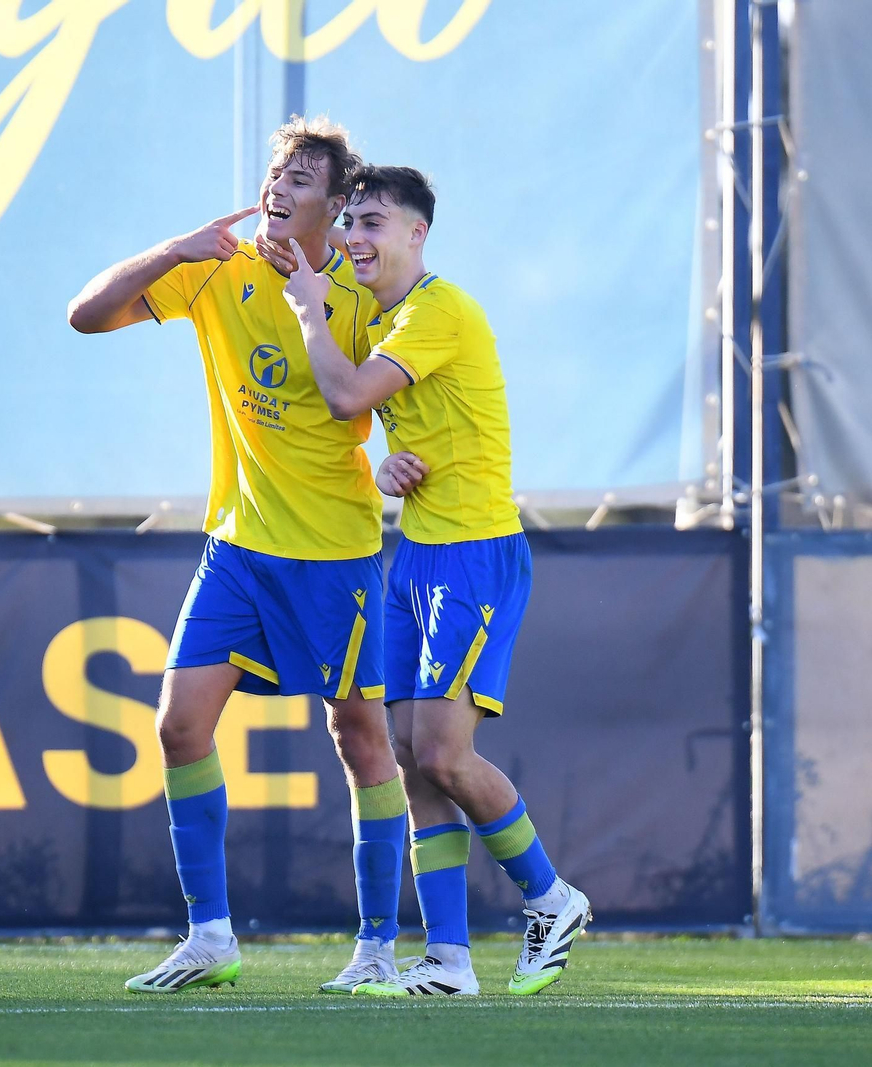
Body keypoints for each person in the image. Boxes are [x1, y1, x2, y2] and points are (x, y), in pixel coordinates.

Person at [67, 118, 407, 995]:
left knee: (360, 735)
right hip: (238, 548)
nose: (280, 186)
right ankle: (209, 937)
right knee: (179, 724)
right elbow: (86, 315)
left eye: (303, 178)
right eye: (276, 171)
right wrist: (172, 249)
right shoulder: (218, 267)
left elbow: (374, 406)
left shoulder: (366, 296)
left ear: (335, 208)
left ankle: (376, 948)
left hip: (337, 551)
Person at [280, 165, 590, 997]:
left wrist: (309, 307)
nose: (354, 238)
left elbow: (346, 396)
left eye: (373, 223)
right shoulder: (389, 316)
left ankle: (552, 897)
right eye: (350, 223)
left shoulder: (436, 310)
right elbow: (400, 420)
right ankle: (448, 958)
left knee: (447, 753)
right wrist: (387, 468)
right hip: (415, 553)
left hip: (473, 553)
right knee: (412, 755)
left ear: (418, 234)